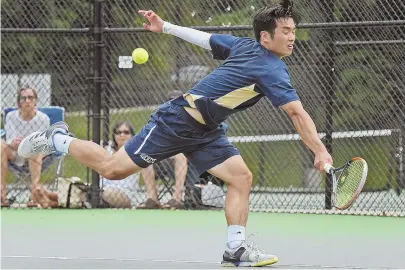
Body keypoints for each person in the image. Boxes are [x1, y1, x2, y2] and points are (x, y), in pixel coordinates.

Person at [18, 0, 333, 266]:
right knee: (112, 170)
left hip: (207, 130)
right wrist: (319, 149)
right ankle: (58, 137)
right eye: (286, 31)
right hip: (177, 120)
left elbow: (205, 39)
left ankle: (235, 250)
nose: (292, 37)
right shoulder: (269, 66)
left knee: (240, 177)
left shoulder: (249, 50)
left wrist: (165, 26)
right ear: (266, 37)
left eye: (293, 30)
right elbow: (296, 113)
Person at [32, 121, 140, 209]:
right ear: (114, 135)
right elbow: (90, 148)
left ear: (132, 135)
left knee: (92, 192)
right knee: (79, 186)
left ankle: (51, 197)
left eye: (126, 132)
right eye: (118, 132)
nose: (122, 135)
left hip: (123, 195)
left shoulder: (136, 152)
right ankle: (50, 200)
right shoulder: (108, 149)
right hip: (100, 190)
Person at [138, 90, 188, 210]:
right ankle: (152, 198)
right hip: (161, 159)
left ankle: (177, 197)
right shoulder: (160, 119)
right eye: (172, 102)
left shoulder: (190, 120)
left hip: (184, 161)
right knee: (144, 155)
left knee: (180, 155)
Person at [1, 88, 50, 207]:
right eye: (23, 98)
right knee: (1, 146)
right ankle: (1, 193)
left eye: (30, 98)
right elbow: (11, 139)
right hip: (15, 153)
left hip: (36, 155)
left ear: (35, 101)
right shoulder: (11, 116)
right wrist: (13, 142)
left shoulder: (44, 119)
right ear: (19, 102)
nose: (27, 101)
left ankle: (34, 194)